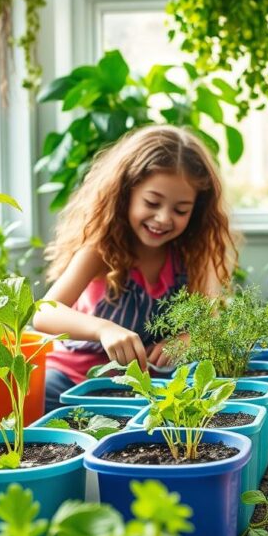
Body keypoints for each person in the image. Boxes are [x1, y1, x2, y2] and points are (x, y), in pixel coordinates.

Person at [34, 125, 236, 412]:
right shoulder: (101, 249)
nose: (163, 218)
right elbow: (44, 312)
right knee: (37, 394)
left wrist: (186, 340)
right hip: (74, 382)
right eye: (152, 202)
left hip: (146, 389)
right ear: (125, 193)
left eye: (181, 210)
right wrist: (103, 329)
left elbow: (211, 320)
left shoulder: (191, 257)